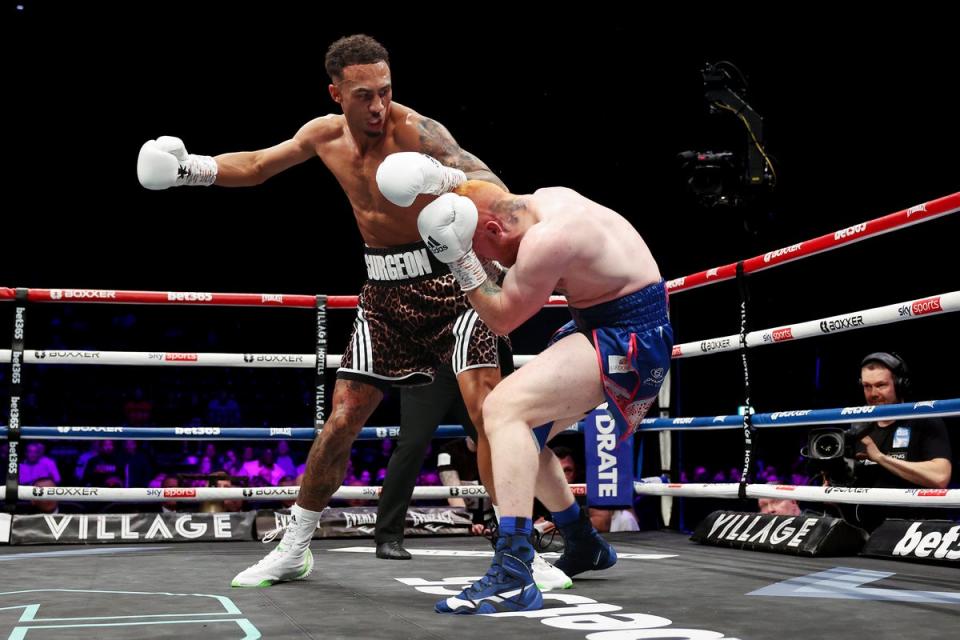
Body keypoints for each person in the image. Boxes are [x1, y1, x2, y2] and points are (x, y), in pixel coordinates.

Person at [138, 34, 538, 588]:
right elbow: (256, 165)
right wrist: (193, 170)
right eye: (363, 95)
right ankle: (295, 545)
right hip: (384, 294)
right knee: (342, 421)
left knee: (488, 409)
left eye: (385, 91)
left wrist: (444, 180)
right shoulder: (323, 136)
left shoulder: (417, 131)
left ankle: (518, 549)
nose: (377, 106)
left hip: (453, 283)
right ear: (336, 94)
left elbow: (499, 191)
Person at [409, 179, 673, 613]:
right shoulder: (542, 199)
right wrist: (434, 177)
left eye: (481, 249)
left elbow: (501, 319)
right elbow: (472, 183)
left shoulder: (548, 239)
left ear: (493, 229)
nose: (485, 261)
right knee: (518, 437)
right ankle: (582, 541)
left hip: (629, 337)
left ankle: (513, 572)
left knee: (503, 409)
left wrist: (460, 260)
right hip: (601, 322)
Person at [845, 352, 952, 530]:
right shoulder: (859, 426)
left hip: (915, 532)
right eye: (867, 386)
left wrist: (881, 458)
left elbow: (940, 477)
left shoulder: (924, 419)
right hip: (866, 533)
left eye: (881, 385)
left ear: (900, 385)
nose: (873, 394)